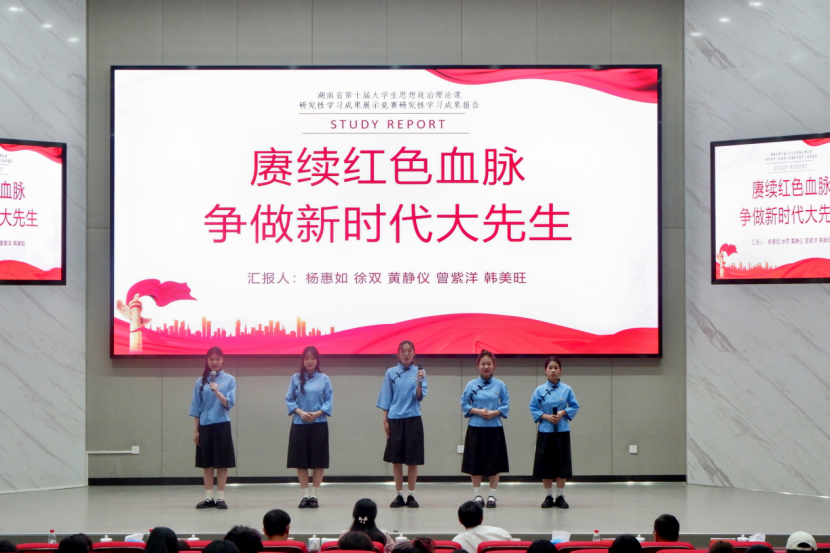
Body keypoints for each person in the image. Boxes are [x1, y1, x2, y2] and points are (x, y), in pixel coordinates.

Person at [377, 340, 427, 508]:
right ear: (398, 353)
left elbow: (419, 396)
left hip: (413, 418)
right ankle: (399, 495)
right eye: (403, 351)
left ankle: (411, 495)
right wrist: (385, 420)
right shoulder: (391, 372)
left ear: (414, 353)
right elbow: (386, 397)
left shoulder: (420, 372)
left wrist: (419, 381)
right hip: (395, 419)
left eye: (409, 351)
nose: (406, 354)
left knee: (413, 460)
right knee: (396, 460)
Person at [460, 349, 510, 508]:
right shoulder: (471, 385)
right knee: (475, 463)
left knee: (494, 463)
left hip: (494, 428)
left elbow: (506, 405)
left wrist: (494, 413)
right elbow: (464, 403)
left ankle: (492, 496)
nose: (486, 367)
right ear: (478, 365)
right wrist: (477, 411)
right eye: (483, 364)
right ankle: (477, 496)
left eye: (489, 364)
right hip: (476, 428)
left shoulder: (500, 385)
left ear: (494, 365)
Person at [285, 345, 333, 508]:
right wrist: (300, 412)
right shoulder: (295, 378)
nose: (310, 361)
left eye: (313, 358)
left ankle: (314, 496)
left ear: (317, 360)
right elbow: (289, 399)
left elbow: (329, 400)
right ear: (303, 360)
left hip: (319, 424)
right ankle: (305, 495)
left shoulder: (324, 378)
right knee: (301, 461)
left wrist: (318, 413)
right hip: (300, 424)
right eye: (307, 358)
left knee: (318, 461)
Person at [529, 355, 579, 508]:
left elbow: (574, 406)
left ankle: (560, 496)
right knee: (546, 465)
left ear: (560, 370)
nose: (553, 371)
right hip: (545, 431)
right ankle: (548, 496)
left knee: (561, 464)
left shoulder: (567, 389)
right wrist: (545, 416)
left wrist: (562, 413)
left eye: (556, 368)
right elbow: (533, 407)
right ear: (545, 370)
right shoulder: (540, 390)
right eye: (550, 368)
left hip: (562, 431)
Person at [190, 346, 237, 509]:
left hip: (222, 424)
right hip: (205, 425)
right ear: (207, 361)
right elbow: (196, 406)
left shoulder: (229, 380)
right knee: (207, 464)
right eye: (211, 359)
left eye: (218, 359)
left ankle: (220, 498)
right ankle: (209, 497)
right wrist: (196, 430)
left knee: (222, 463)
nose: (215, 362)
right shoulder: (200, 381)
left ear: (223, 360)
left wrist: (217, 391)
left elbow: (229, 403)